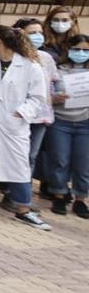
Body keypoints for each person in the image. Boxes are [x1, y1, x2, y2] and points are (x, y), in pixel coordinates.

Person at [0, 25, 50, 230]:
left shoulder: (30, 66)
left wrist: (23, 111)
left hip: (13, 122)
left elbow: (38, 97)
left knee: (19, 164)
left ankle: (23, 209)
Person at [16, 18, 58, 194]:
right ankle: (10, 191)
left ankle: (24, 193)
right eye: (32, 32)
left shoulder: (46, 57)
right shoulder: (12, 56)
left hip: (41, 115)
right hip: (17, 114)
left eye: (40, 32)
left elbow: (53, 84)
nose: (37, 36)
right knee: (17, 156)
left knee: (31, 156)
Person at [49, 34, 89, 218]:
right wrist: (55, 98)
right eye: (77, 49)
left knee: (83, 164)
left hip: (85, 123)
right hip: (61, 121)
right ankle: (59, 194)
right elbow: (46, 94)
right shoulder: (58, 70)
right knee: (60, 160)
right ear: (68, 50)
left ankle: (81, 199)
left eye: (85, 50)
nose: (81, 53)